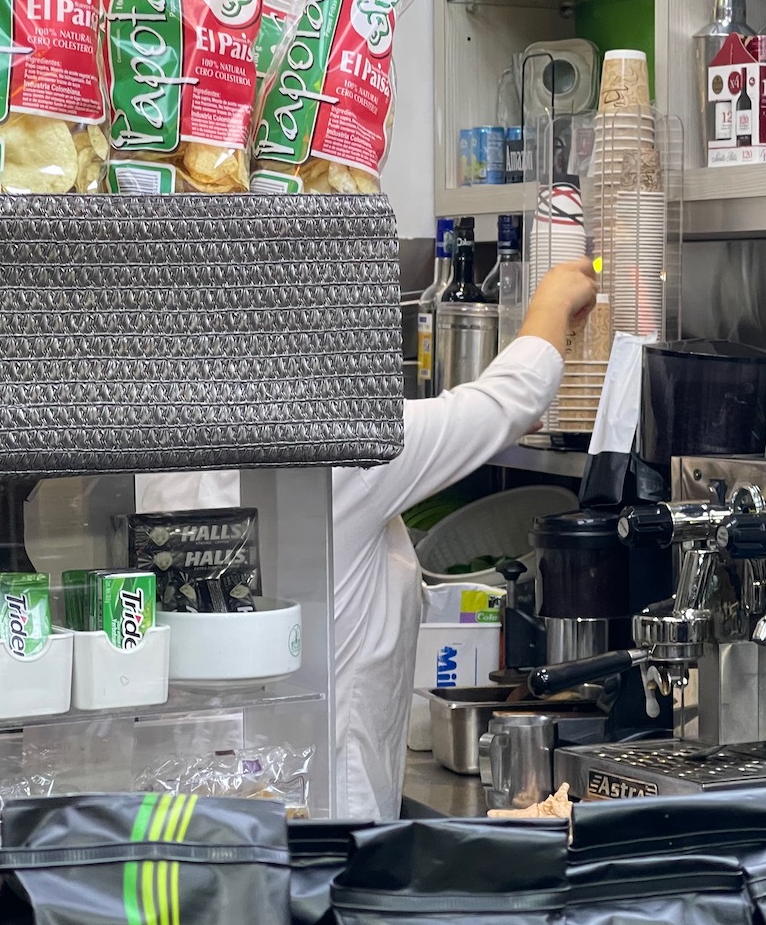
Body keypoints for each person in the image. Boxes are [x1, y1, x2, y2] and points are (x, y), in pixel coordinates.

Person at [135, 259, 598, 820]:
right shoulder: (340, 457)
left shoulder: (153, 458)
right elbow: (512, 401)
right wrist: (554, 297)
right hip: (330, 803)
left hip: (194, 794)